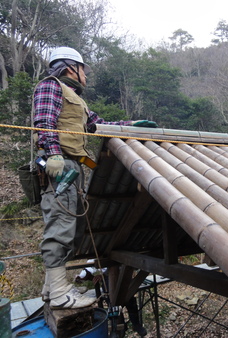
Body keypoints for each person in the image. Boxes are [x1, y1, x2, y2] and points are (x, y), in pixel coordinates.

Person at [33, 46, 157, 309]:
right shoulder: (51, 86)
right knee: (60, 224)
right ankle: (58, 294)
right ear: (70, 67)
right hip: (60, 165)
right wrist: (53, 155)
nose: (85, 76)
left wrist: (131, 125)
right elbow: (43, 122)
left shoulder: (75, 99)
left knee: (70, 227)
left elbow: (98, 126)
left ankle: (50, 288)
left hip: (72, 167)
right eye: (83, 70)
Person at [75, 262, 148, 337]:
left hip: (124, 275)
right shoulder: (98, 254)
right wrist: (81, 276)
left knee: (130, 300)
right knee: (114, 304)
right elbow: (89, 266)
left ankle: (136, 324)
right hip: (109, 280)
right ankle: (120, 326)